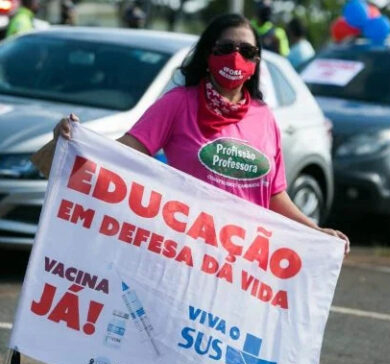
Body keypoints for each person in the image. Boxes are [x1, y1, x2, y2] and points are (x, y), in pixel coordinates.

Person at [41, 13, 349, 254]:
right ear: (207, 54)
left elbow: (274, 195)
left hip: (244, 264)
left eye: (246, 50)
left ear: (256, 61)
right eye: (225, 48)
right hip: (185, 254)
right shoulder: (178, 104)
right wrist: (76, 143)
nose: (235, 56)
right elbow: (121, 155)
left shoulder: (264, 117)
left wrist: (315, 231)